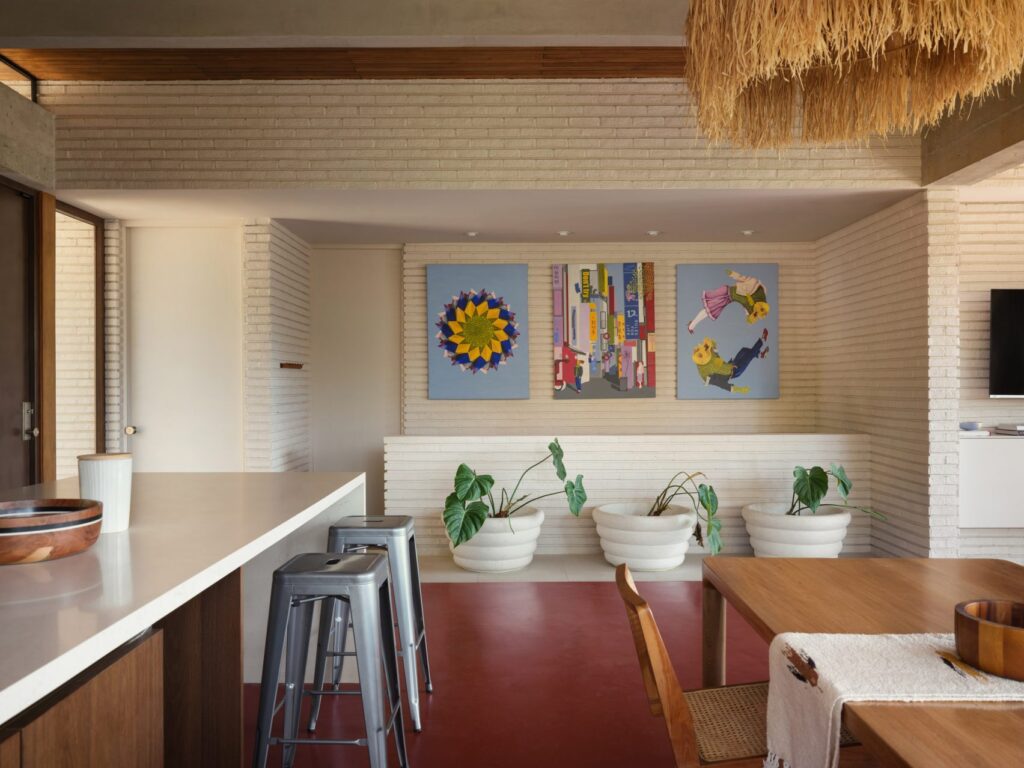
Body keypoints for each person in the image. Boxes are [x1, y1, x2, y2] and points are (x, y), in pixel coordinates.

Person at [687, 268, 770, 333]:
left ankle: (692, 324)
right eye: (759, 311)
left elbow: (749, 317)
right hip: (726, 291)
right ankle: (692, 325)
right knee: (708, 309)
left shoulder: (751, 307)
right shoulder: (754, 283)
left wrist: (751, 315)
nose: (756, 312)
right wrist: (732, 274)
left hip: (726, 299)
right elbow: (742, 278)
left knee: (709, 310)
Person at [691, 329, 770, 394]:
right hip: (735, 371)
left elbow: (716, 357)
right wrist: (740, 390)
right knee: (749, 354)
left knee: (743, 350)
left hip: (731, 364)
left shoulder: (708, 359)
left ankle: (760, 354)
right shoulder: (710, 377)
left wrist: (713, 346)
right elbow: (724, 386)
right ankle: (762, 339)